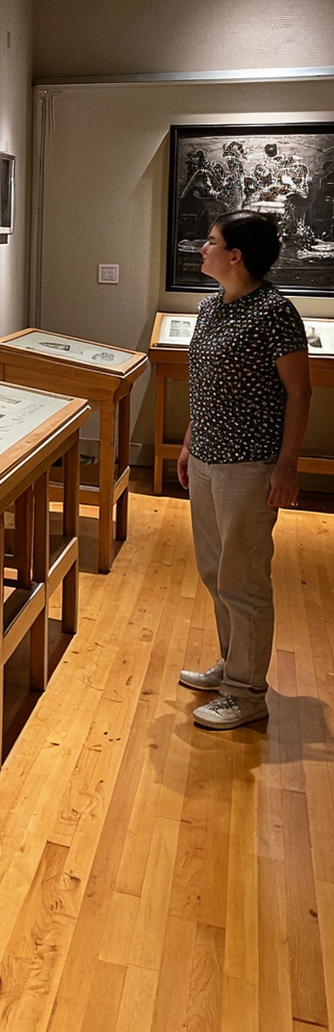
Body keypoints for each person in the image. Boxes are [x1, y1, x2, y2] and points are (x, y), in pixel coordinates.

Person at [177, 210, 312, 729]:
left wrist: (287, 467)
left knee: (244, 576)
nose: (202, 249)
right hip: (209, 457)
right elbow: (205, 385)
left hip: (251, 465)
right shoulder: (211, 309)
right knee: (216, 571)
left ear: (236, 256)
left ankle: (247, 692)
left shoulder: (274, 313)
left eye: (210, 243)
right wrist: (190, 440)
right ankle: (233, 668)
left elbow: (299, 392)